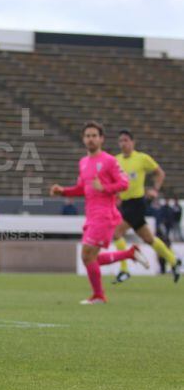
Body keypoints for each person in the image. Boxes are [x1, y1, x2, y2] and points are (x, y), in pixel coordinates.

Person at [50, 121, 149, 305]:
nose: (91, 139)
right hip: (91, 215)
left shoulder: (110, 161)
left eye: (94, 136)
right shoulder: (83, 162)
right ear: (83, 139)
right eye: (87, 136)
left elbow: (124, 183)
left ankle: (99, 295)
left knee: (87, 255)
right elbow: (83, 188)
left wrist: (104, 187)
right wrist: (63, 191)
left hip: (105, 214)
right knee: (89, 257)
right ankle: (128, 254)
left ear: (101, 139)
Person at [111, 130, 180, 284]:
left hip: (137, 203)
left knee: (116, 232)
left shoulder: (142, 158)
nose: (123, 143)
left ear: (133, 142)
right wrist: (115, 195)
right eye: (121, 141)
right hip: (125, 204)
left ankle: (124, 270)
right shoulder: (116, 160)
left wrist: (155, 189)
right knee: (148, 238)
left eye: (126, 140)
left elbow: (160, 173)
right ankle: (174, 261)